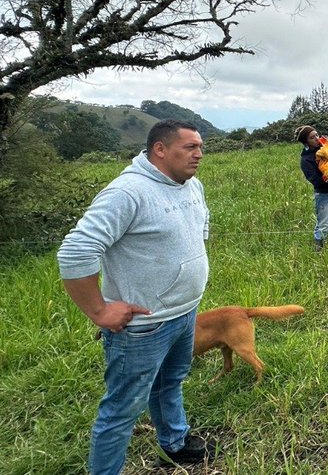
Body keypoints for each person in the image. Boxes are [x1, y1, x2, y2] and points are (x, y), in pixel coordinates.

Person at [57, 120, 215, 474]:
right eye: (190, 147)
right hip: (143, 327)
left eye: (200, 147)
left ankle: (174, 443)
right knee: (122, 409)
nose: (199, 154)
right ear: (160, 149)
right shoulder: (127, 192)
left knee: (170, 382)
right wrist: (99, 310)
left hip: (184, 312)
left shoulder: (191, 185)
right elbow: (75, 252)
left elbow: (199, 229)